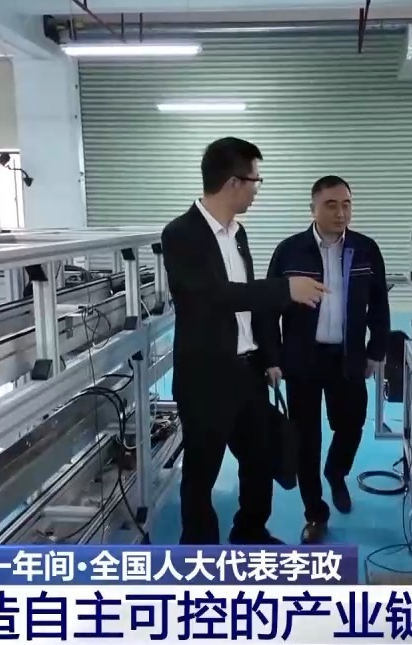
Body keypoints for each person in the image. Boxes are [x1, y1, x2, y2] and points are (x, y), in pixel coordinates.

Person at [161, 137, 327, 545]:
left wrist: (269, 357)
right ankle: (198, 551)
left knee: (259, 459)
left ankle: (250, 532)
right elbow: (212, 297)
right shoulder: (181, 234)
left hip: (248, 372)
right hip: (205, 377)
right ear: (234, 182)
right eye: (256, 180)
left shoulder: (238, 233)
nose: (257, 189)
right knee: (202, 471)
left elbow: (248, 303)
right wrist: (285, 289)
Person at [266, 175, 390, 544]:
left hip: (348, 356)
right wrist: (272, 358)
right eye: (331, 205)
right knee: (306, 438)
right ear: (313, 209)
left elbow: (379, 304)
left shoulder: (366, 249)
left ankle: (336, 473)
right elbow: (269, 309)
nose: (341, 212)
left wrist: (376, 351)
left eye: (346, 204)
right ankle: (315, 513)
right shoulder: (290, 251)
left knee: (351, 425)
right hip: (302, 358)